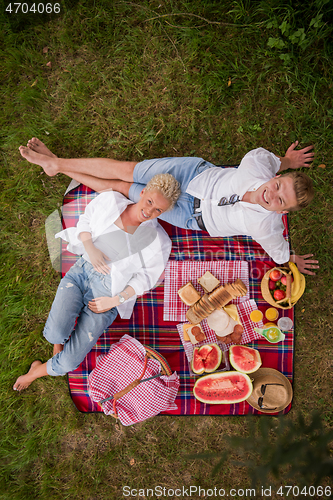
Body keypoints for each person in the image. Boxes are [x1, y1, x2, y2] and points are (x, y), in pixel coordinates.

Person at [19, 139, 319, 275]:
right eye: (278, 186)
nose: (272, 194)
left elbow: (279, 252)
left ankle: (57, 169)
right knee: (127, 171)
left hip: (191, 216)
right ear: (276, 178)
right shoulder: (258, 162)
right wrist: (288, 161)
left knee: (125, 190)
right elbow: (272, 161)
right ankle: (56, 162)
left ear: (282, 213)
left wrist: (293, 258)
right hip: (193, 175)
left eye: (281, 201)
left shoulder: (265, 227)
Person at [13, 173, 181, 391]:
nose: (149, 211)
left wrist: (115, 300)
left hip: (109, 293)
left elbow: (146, 278)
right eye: (149, 202)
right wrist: (90, 248)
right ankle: (58, 343)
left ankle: (36, 371)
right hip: (81, 272)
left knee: (68, 364)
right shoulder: (110, 200)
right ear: (142, 192)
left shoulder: (159, 240)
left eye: (158, 209)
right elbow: (85, 221)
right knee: (54, 332)